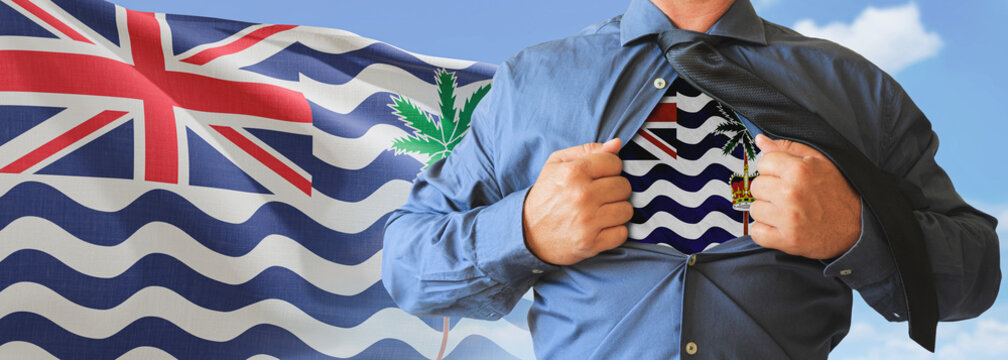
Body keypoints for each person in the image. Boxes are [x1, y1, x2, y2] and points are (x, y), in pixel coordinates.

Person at [381, 0, 1001, 358]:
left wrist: (856, 231)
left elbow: (975, 276)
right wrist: (524, 232)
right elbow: (407, 266)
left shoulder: (855, 89)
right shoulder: (531, 84)